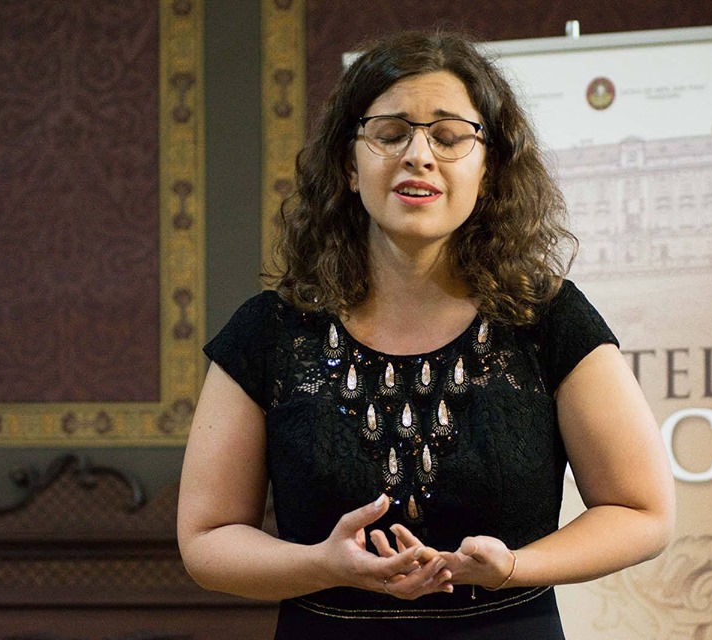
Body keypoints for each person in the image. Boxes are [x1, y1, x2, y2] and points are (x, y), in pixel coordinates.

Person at [177, 30, 675, 639]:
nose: (419, 154)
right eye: (390, 133)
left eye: (449, 136)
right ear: (349, 167)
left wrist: (513, 567)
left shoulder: (548, 319)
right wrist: (323, 565)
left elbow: (641, 511)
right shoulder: (269, 330)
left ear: (489, 171)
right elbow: (207, 539)